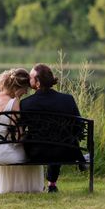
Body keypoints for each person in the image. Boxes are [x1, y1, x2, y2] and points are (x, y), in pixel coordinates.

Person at [0, 69, 44, 194]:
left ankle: (11, 187)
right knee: (33, 154)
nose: (25, 93)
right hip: (2, 154)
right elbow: (17, 137)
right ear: (18, 88)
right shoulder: (14, 103)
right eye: (25, 89)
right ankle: (29, 188)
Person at [20, 64, 85, 193]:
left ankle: (37, 184)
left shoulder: (26, 103)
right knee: (58, 141)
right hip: (66, 152)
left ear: (37, 82)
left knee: (46, 142)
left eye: (30, 78)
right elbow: (78, 126)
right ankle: (52, 184)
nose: (28, 80)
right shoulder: (67, 99)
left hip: (36, 154)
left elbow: (20, 129)